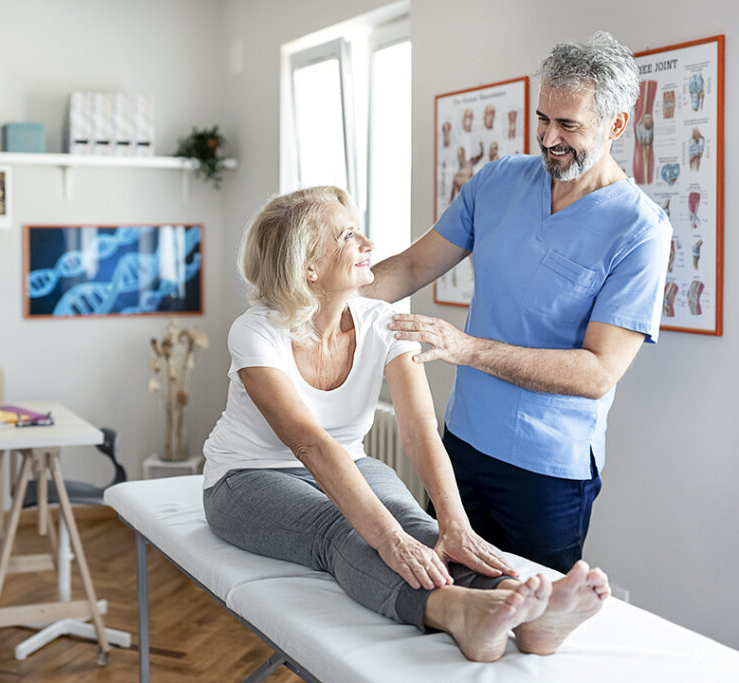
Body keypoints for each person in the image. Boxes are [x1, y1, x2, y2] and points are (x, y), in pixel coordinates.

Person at [203, 186, 610, 662]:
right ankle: (458, 612)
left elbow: (419, 432)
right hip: (246, 478)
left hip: (348, 461)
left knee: (418, 524)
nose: (368, 244)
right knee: (346, 529)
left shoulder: (386, 321)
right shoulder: (255, 332)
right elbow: (309, 444)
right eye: (348, 235)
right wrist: (387, 539)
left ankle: (525, 608)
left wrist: (454, 524)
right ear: (308, 266)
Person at [364, 32, 672, 572]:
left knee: (528, 629)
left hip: (547, 474)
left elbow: (599, 371)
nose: (549, 138)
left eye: (569, 126)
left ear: (616, 125)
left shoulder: (641, 231)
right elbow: (413, 267)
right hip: (459, 446)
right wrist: (313, 303)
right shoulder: (499, 181)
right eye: (542, 119)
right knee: (439, 600)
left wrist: (467, 349)